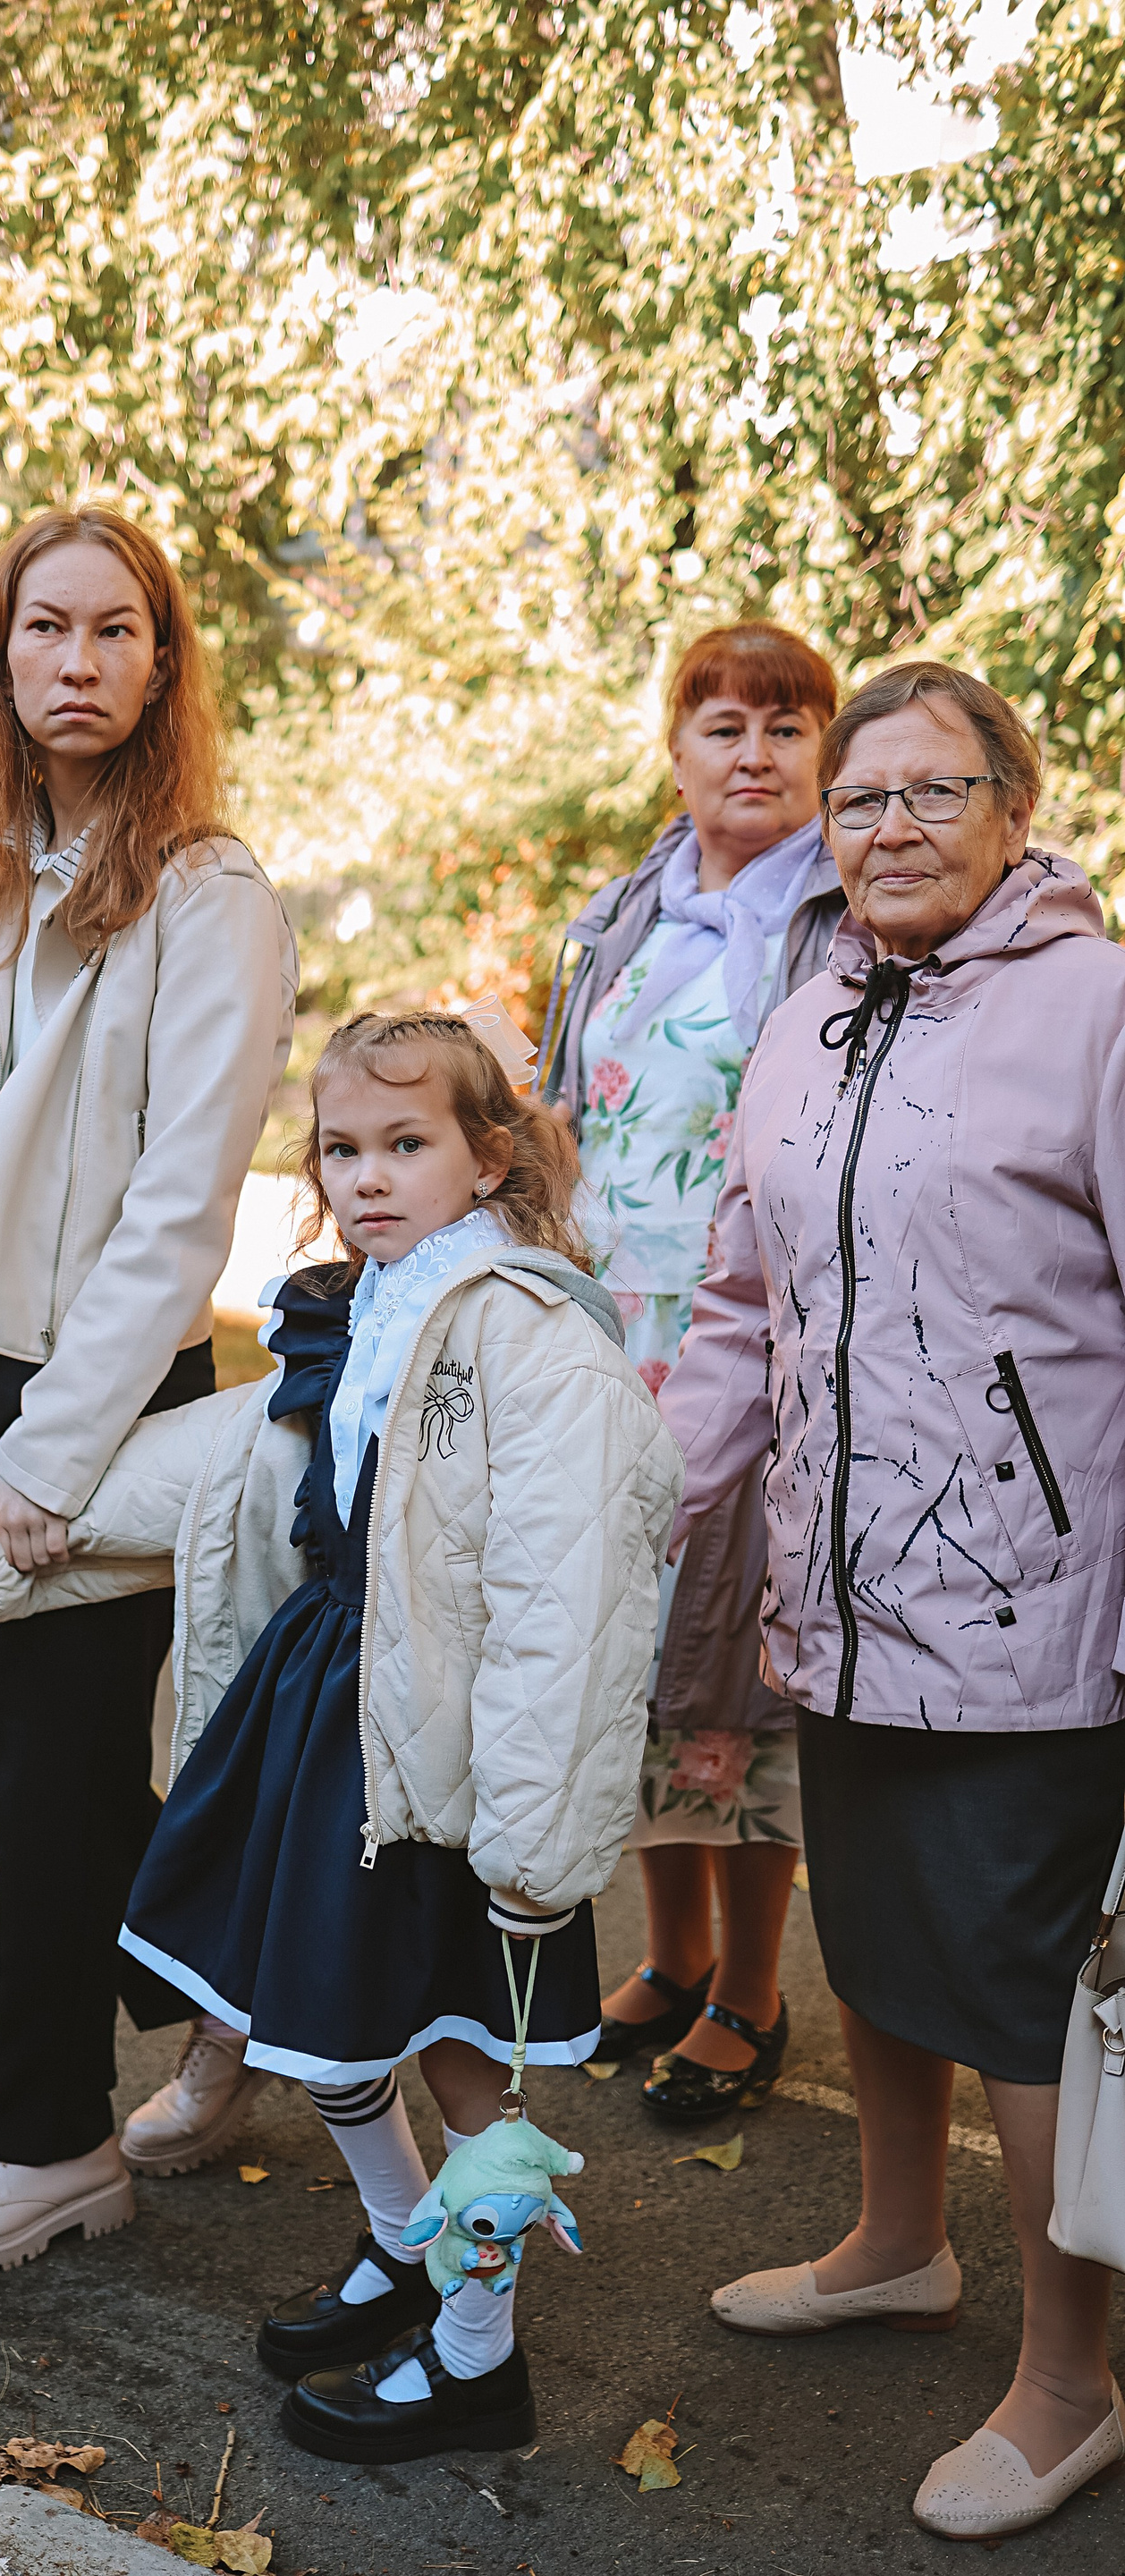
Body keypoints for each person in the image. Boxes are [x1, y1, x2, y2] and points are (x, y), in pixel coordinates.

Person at [0, 1012, 681, 2457]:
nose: (367, 1176)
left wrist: (533, 1837)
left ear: (490, 1159)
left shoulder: (533, 1344)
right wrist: (18, 1500)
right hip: (326, 1699)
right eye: (342, 1149)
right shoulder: (357, 1307)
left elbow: (574, 1601)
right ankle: (405, 2238)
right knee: (308, 2018)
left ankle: (477, 2358)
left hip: (448, 1745)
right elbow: (227, 1458)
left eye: (407, 1144)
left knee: (459, 2060)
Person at [660, 661, 1125, 2540]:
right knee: (873, 1943)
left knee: (1024, 1998)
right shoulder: (809, 1016)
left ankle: (1071, 2381)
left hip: (1038, 1606)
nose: (893, 828)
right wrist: (641, 1506)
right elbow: (737, 1308)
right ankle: (897, 2243)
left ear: (1015, 806)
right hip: (841, 1597)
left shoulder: (1096, 1008)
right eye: (861, 801)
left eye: (935, 791)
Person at [0, 504, 297, 2280]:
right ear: (0, 663)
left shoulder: (211, 896)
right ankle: (253, 1987)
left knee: (54, 1791)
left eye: (116, 630)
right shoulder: (11, 873)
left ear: (161, 663)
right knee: (23, 1767)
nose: (78, 661)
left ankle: (52, 2149)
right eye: (45, 630)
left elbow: (179, 1208)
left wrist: (51, 1456)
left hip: (99, 1389)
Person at [540, 624, 844, 2122]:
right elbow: (567, 1109)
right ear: (677, 753)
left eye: (787, 729)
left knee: (740, 1654)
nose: (755, 754)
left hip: (751, 1333)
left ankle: (753, 1991)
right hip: (611, 1326)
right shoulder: (629, 910)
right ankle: (668, 1961)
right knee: (636, 1649)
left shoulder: (837, 922)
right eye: (725, 726)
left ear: (826, 756)